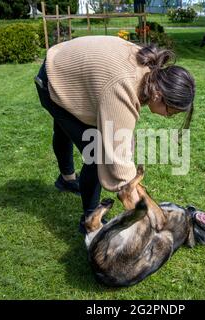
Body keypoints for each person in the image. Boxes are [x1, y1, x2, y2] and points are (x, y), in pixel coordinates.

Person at [34, 36, 195, 234]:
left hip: (63, 61)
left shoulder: (149, 70)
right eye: (171, 111)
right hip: (54, 76)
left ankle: (66, 180)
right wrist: (135, 197)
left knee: (64, 128)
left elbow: (120, 129)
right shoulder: (123, 87)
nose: (168, 117)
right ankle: (90, 219)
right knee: (96, 153)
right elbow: (117, 156)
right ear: (158, 95)